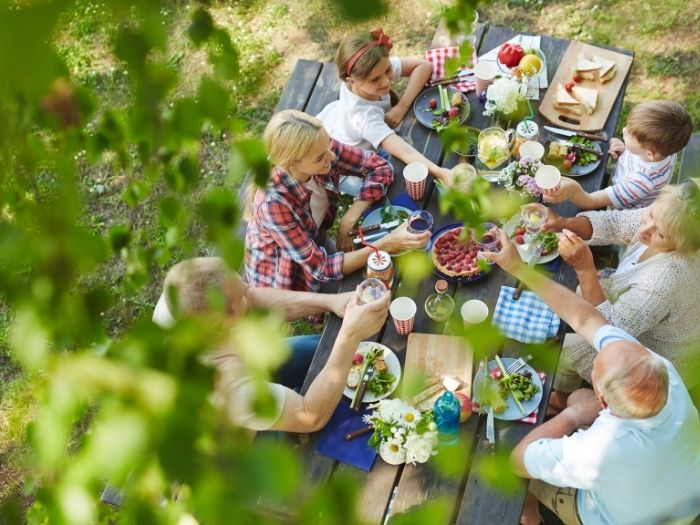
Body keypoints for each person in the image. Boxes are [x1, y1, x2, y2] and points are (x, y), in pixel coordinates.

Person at [483, 230, 700, 525]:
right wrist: (518, 266)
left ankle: (530, 516)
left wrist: (572, 417)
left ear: (604, 399)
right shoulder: (662, 371)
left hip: (609, 516)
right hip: (679, 498)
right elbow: (586, 319)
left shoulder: (599, 450)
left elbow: (520, 460)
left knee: (506, 450)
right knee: (576, 396)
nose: (608, 343)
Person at [153, 257, 391, 433]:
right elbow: (310, 417)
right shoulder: (223, 385)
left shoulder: (185, 296)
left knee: (322, 349)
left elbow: (252, 298)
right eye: (241, 300)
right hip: (236, 435)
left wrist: (332, 302)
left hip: (248, 365)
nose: (248, 293)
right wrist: (349, 336)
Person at [542, 182, 700, 408]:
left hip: (655, 361)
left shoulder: (666, 279)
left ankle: (561, 399)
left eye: (661, 235)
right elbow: (615, 223)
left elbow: (609, 330)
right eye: (650, 215)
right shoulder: (667, 217)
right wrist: (564, 223)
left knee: (566, 351)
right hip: (630, 312)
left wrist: (585, 269)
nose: (644, 230)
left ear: (683, 246)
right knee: (569, 297)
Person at [245, 109, 430, 291]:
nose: (332, 156)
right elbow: (322, 268)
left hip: (315, 236)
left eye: (328, 146)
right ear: (292, 163)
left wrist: (348, 219)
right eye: (320, 158)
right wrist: (386, 244)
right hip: (283, 272)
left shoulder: (320, 147)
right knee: (353, 291)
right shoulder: (273, 204)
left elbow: (380, 168)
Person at [316, 28, 453, 194]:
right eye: (375, 80)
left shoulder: (374, 68)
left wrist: (401, 107)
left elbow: (423, 66)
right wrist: (440, 172)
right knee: (387, 187)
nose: (386, 82)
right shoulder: (363, 116)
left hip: (336, 124)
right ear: (352, 81)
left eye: (388, 70)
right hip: (342, 166)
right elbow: (405, 151)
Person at [543, 100, 692, 210]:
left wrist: (574, 189)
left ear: (650, 154)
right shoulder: (664, 150)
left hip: (625, 207)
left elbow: (591, 202)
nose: (623, 131)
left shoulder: (640, 182)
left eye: (629, 136)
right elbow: (640, 153)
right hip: (624, 182)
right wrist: (626, 150)